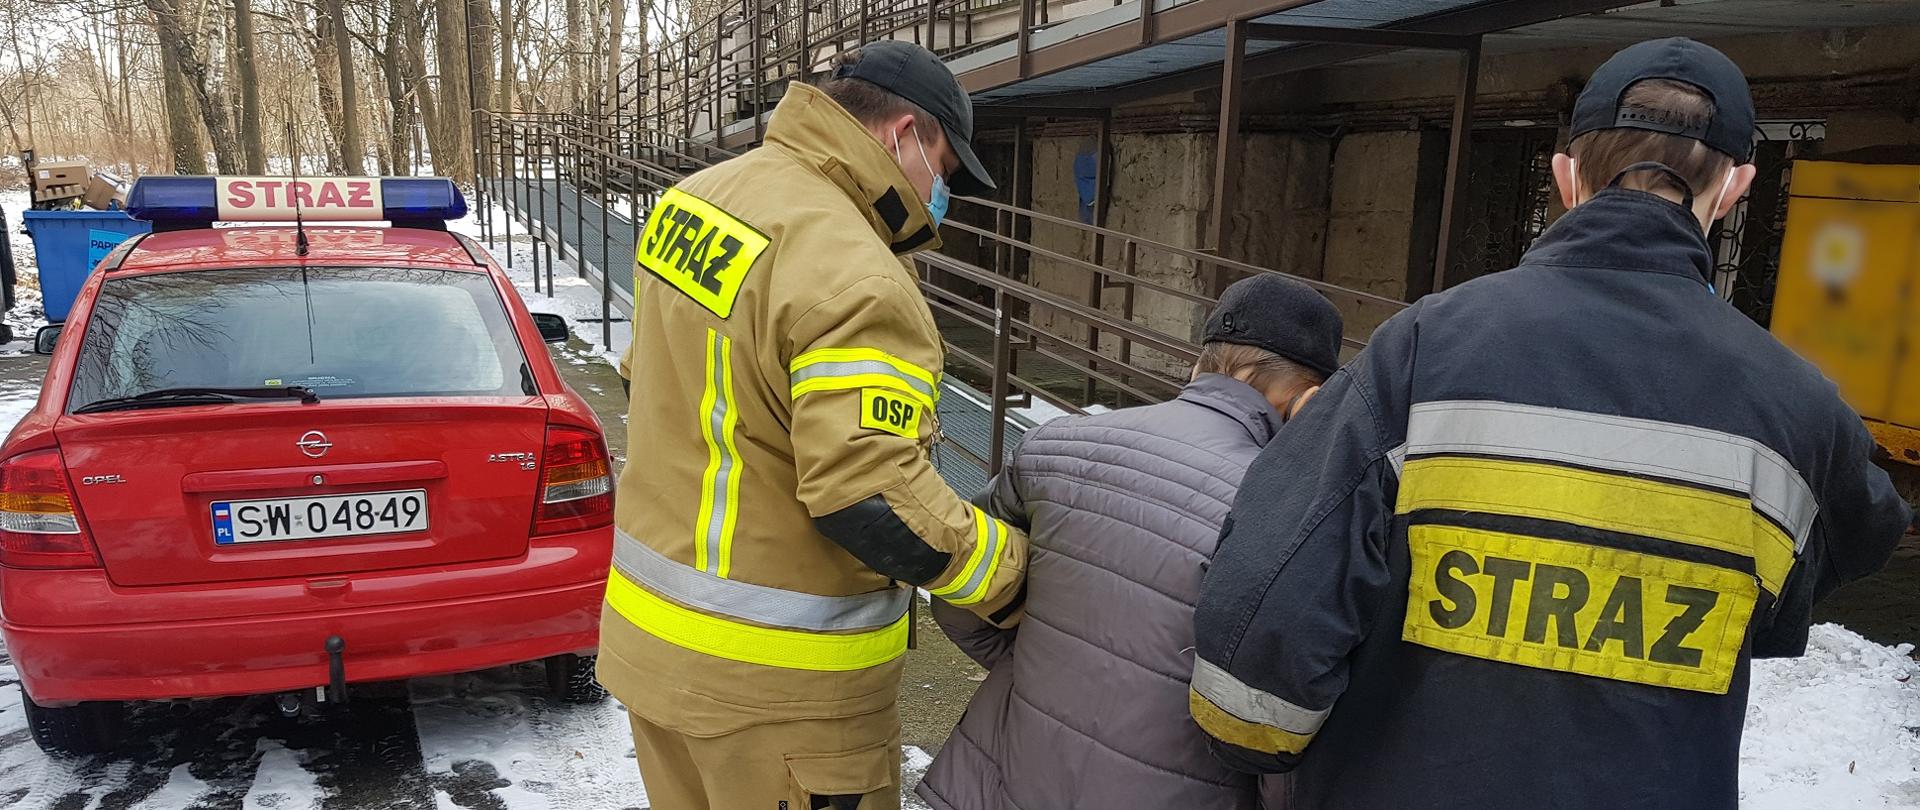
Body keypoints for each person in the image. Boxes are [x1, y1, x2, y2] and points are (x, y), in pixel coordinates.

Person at [1189, 37, 1914, 810]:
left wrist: (1255, 743)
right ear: (1736, 187)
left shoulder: (1425, 349)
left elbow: (1278, 590)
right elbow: (1856, 536)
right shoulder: (1799, 406)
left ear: (1567, 176)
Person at [599, 40, 1028, 810]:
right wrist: (1011, 576)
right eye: (946, 167)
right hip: (782, 699)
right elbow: (871, 497)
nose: (943, 193)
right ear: (902, 135)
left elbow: (647, 370)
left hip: (653, 652)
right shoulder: (858, 274)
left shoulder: (697, 200)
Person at [917, 273, 1344, 810]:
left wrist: (1035, 671)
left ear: (1201, 362)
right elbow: (1274, 724)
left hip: (1009, 782)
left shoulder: (1057, 444)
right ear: (1310, 399)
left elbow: (962, 589)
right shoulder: (1286, 514)